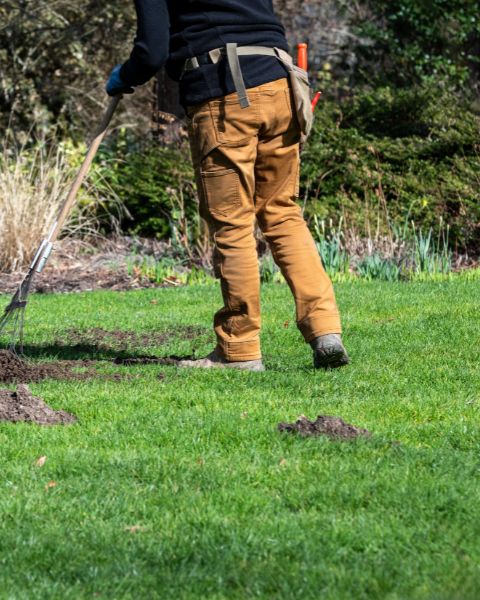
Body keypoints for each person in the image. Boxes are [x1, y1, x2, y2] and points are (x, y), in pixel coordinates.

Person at [106, 0, 349, 371]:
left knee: (232, 223)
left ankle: (239, 350)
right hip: (281, 83)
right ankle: (325, 330)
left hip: (226, 92)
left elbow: (152, 50)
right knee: (282, 213)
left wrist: (126, 75)